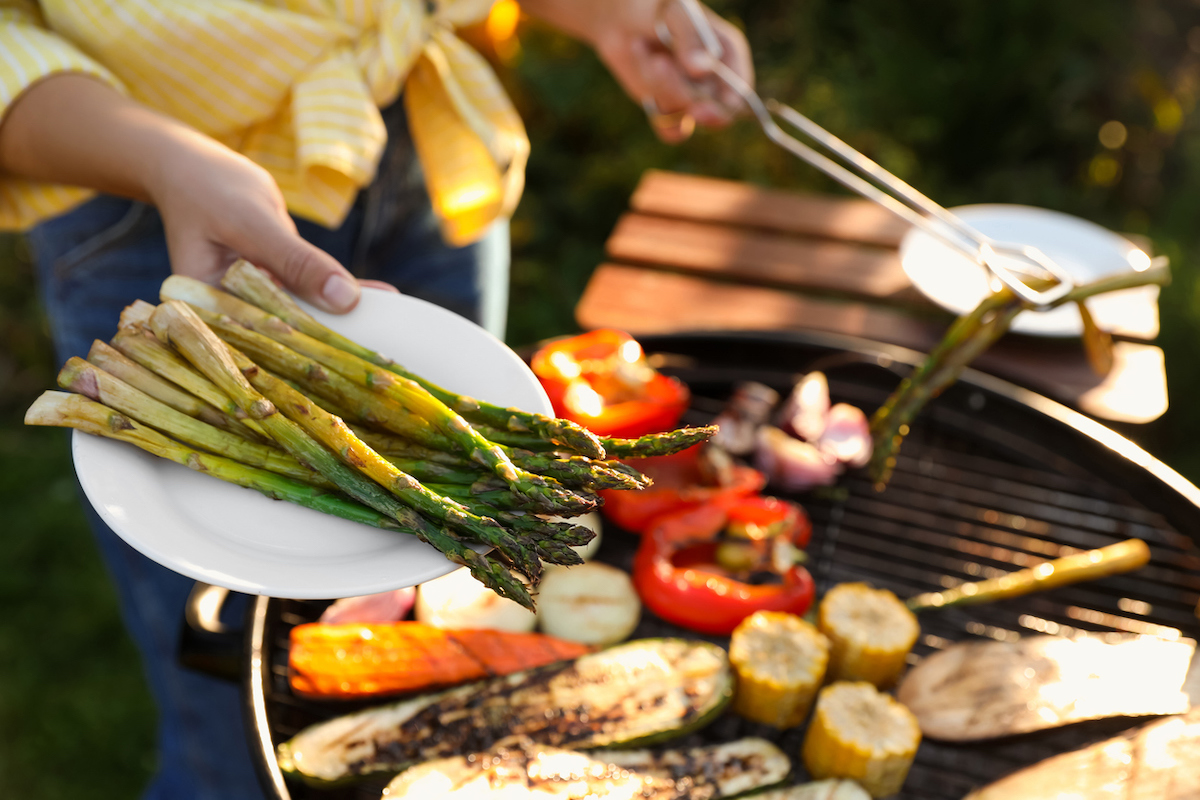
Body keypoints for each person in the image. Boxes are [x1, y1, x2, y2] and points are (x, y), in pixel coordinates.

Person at [0, 1, 754, 798]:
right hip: (129, 177)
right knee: (224, 708)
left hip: (414, 133)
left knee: (419, 547)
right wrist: (162, 160)